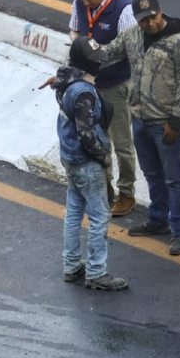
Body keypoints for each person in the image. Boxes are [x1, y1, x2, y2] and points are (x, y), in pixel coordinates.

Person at [89, 0, 180, 255]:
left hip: (165, 124)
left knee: (174, 178)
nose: (148, 23)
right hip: (139, 118)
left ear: (161, 12)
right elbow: (108, 52)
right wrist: (85, 47)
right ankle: (158, 220)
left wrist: (176, 120)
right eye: (143, 20)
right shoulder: (132, 35)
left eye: (152, 17)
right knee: (152, 174)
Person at [47, 37, 128, 291]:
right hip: (86, 163)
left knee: (73, 212)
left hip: (70, 158)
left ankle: (71, 266)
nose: (100, 65)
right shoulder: (83, 92)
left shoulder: (64, 80)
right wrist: (103, 157)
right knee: (99, 216)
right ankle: (96, 271)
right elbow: (86, 134)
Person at [68, 0, 139, 217]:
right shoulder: (80, 1)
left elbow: (129, 48)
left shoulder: (125, 9)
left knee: (121, 143)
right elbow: (75, 31)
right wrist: (80, 55)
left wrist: (95, 58)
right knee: (96, 140)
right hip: (87, 84)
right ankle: (104, 188)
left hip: (114, 85)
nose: (84, 2)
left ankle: (127, 192)